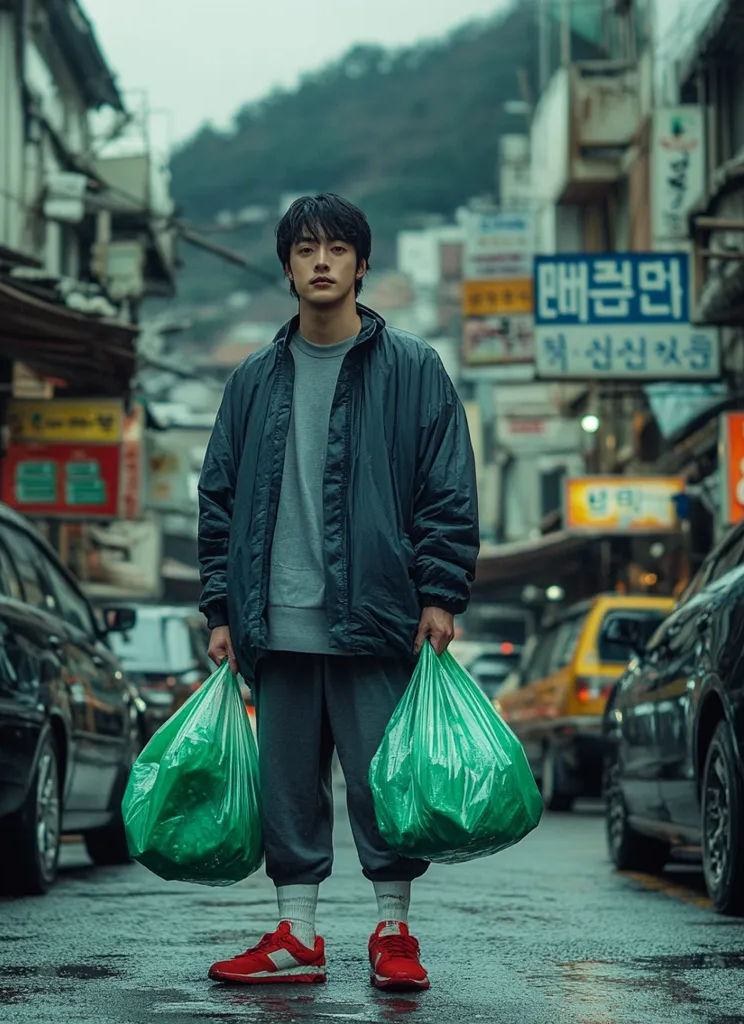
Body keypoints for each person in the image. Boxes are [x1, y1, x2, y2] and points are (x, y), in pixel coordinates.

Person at [198, 193, 479, 990]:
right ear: (287, 267)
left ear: (361, 264)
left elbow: (446, 488)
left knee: (380, 782)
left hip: (379, 614)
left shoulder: (414, 368)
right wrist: (220, 607)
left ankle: (394, 932)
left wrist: (441, 592)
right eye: (305, 249)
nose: (321, 262)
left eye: (336, 249)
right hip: (271, 624)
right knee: (287, 786)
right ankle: (297, 935)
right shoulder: (253, 378)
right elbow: (217, 496)